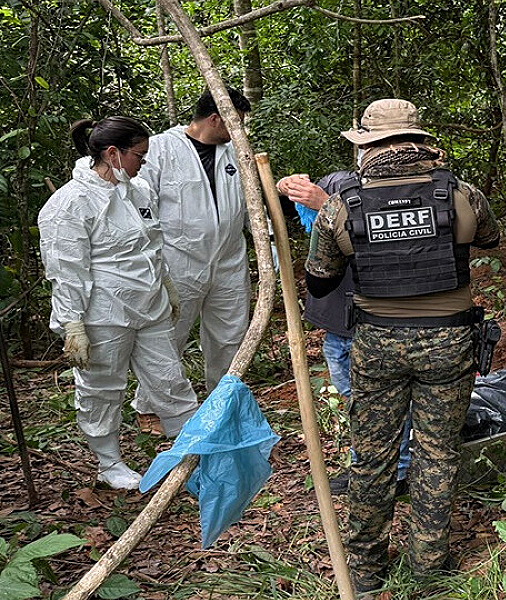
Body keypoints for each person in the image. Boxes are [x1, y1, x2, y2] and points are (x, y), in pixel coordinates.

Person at [305, 98, 500, 596]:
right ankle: (428, 564)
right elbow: (491, 240)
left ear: (367, 145)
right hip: (449, 341)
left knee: (372, 456)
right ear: (420, 141)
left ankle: (366, 569)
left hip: (378, 343)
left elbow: (321, 282)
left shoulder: (340, 205)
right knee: (437, 453)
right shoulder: (461, 194)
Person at [38, 117, 199, 490]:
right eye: (139, 154)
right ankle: (109, 463)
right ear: (113, 154)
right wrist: (72, 323)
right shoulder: (69, 204)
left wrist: (168, 286)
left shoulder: (137, 190)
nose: (144, 162)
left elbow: (151, 245)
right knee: (102, 388)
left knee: (169, 378)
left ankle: (193, 451)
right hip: (104, 312)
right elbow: (66, 270)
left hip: (150, 304)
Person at [133, 87, 261, 431]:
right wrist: (149, 260)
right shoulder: (159, 148)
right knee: (168, 334)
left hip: (229, 258)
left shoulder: (236, 151)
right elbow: (142, 204)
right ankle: (152, 407)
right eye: (236, 122)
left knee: (231, 334)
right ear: (215, 118)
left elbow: (250, 202)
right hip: (178, 259)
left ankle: (224, 402)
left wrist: (268, 244)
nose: (240, 130)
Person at [277, 171, 411, 497]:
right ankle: (374, 467)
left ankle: (394, 472)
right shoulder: (341, 181)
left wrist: (326, 206)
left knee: (382, 402)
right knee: (356, 401)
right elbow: (279, 210)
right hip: (341, 320)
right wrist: (284, 189)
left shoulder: (403, 192)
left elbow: (384, 246)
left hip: (376, 321)